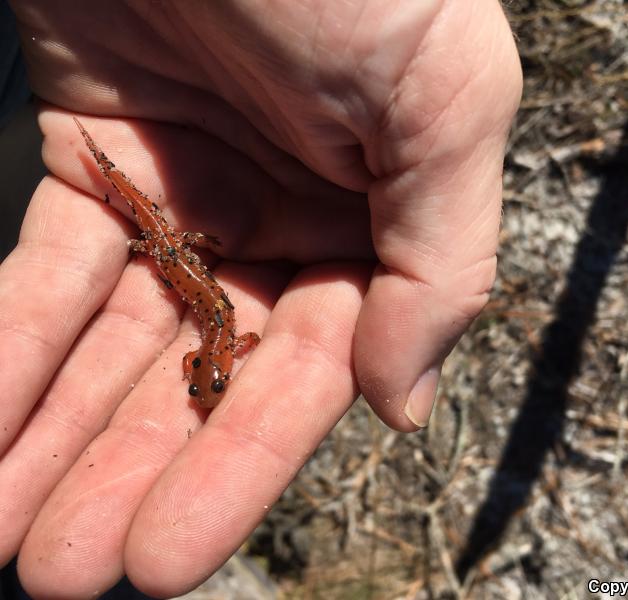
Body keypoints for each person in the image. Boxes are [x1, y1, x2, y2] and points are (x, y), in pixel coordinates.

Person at [0, 1, 521, 596]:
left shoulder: (218, 347)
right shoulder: (224, 342)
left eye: (204, 386)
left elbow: (208, 349)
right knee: (155, 238)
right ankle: (108, 167)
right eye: (209, 386)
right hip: (177, 255)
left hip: (178, 255)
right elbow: (217, 344)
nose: (204, 389)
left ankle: (116, 179)